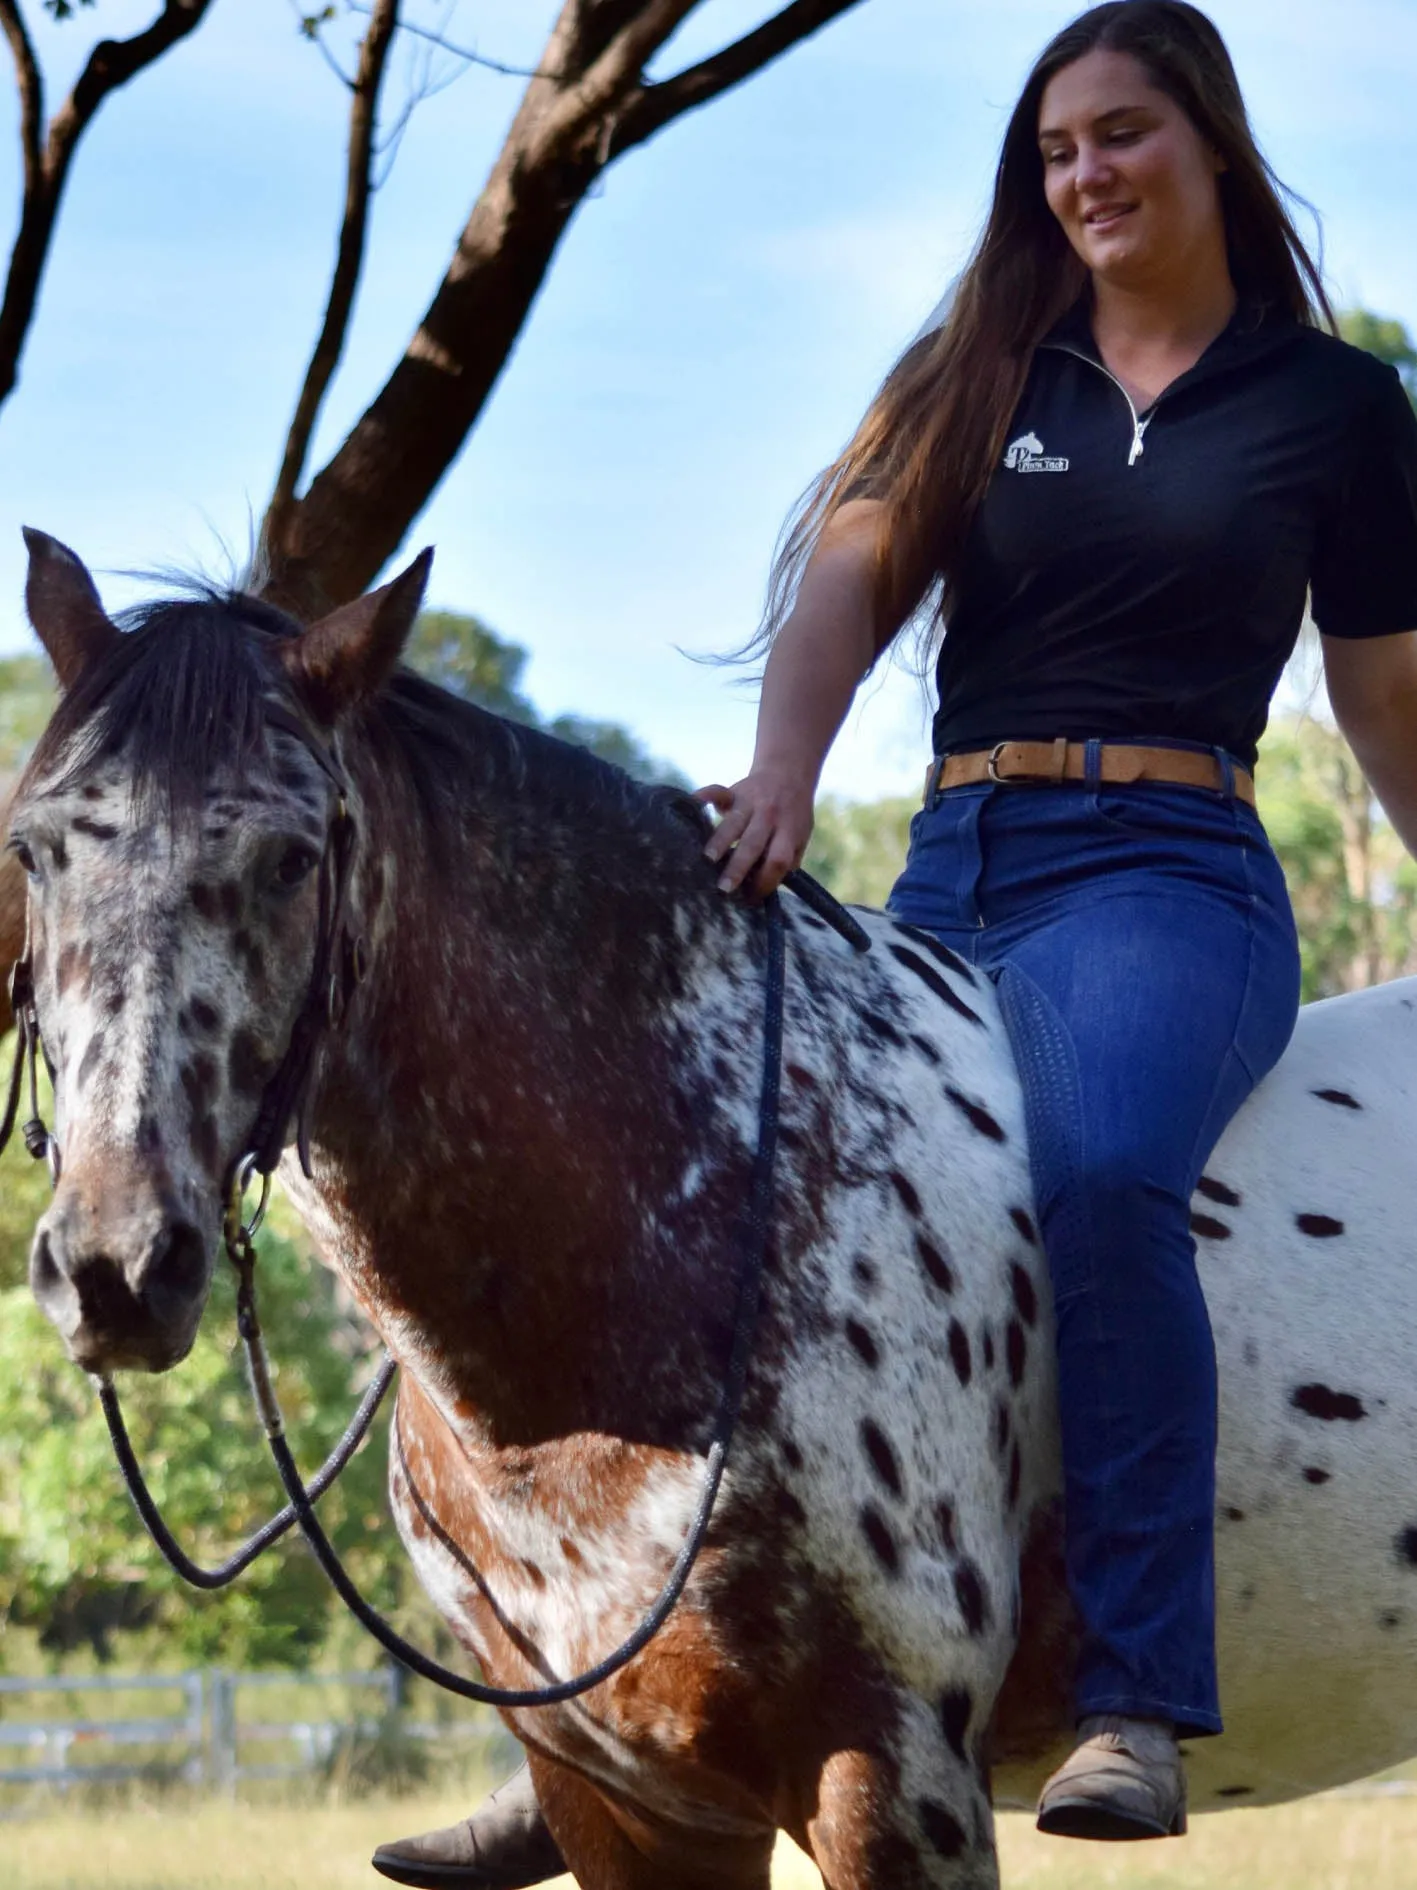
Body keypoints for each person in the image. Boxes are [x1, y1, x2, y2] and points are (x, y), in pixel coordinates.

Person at [372, 2, 1417, 1879]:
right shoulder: (986, 370)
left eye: (1120, 136)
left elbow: (1387, 698)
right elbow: (852, 570)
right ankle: (588, 1716)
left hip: (1171, 869)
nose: (1085, 175)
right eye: (1055, 153)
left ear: (1212, 148)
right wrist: (785, 773)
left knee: (1101, 1181)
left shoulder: (1331, 411)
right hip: (958, 860)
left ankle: (1131, 1685)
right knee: (734, 1177)